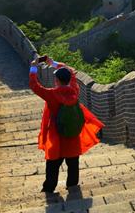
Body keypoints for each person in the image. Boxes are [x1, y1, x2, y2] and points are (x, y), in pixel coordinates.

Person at [29, 55, 104, 193]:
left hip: (56, 133)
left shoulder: (51, 94)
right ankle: (72, 186)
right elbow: (70, 71)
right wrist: (53, 63)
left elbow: (34, 85)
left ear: (57, 80)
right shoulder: (74, 90)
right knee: (73, 161)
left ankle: (49, 188)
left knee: (53, 163)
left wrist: (34, 67)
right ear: (69, 79)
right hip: (72, 133)